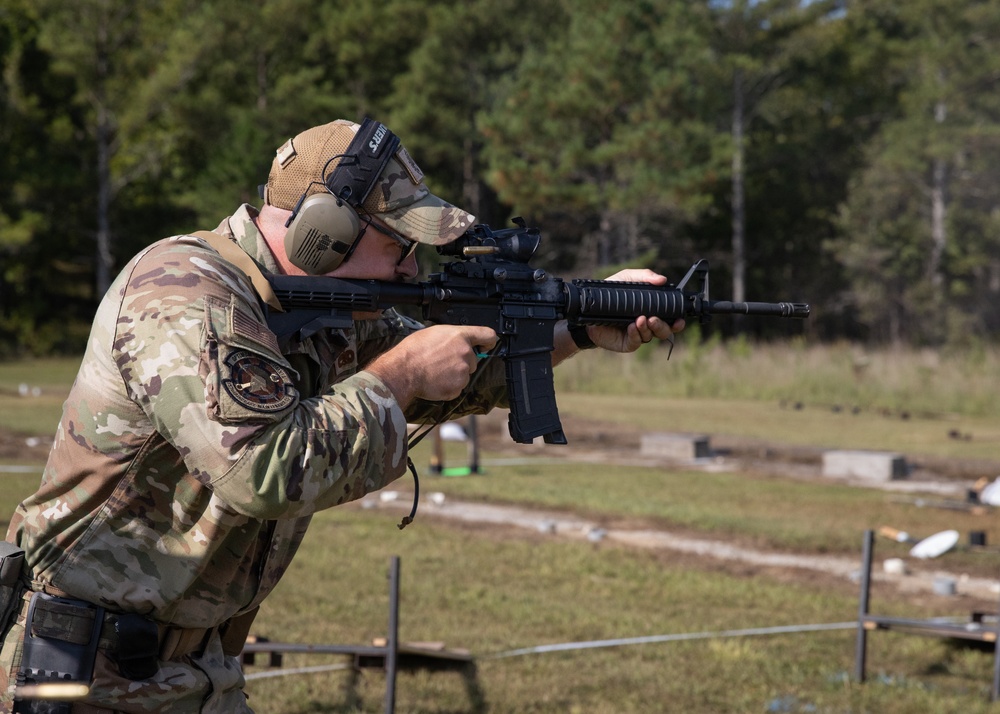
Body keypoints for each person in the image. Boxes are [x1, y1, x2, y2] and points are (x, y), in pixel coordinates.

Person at [0, 118, 681, 713]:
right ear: (324, 234)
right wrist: (404, 370)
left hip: (196, 671)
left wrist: (583, 327)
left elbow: (462, 379)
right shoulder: (186, 292)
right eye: (401, 244)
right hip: (87, 675)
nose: (414, 269)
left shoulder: (325, 308)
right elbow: (260, 471)